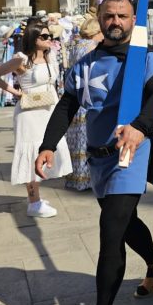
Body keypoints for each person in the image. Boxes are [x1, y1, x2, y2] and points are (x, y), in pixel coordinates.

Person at [36, 0, 153, 305]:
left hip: (131, 154)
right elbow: (68, 104)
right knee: (125, 224)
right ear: (99, 18)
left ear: (133, 20)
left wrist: (141, 127)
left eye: (123, 16)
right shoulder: (85, 63)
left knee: (111, 231)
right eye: (109, 16)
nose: (116, 22)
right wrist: (47, 144)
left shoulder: (148, 59)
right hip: (98, 160)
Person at [0, 22, 71, 217]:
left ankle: (36, 198)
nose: (48, 39)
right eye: (43, 37)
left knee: (46, 148)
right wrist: (15, 92)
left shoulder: (50, 56)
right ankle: (33, 202)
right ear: (33, 39)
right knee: (30, 154)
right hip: (28, 113)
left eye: (49, 36)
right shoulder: (22, 59)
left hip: (48, 109)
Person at [64, 17, 102, 191]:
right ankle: (86, 179)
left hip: (77, 93)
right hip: (88, 96)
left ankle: (75, 178)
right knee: (85, 138)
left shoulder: (76, 46)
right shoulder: (93, 47)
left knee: (75, 139)